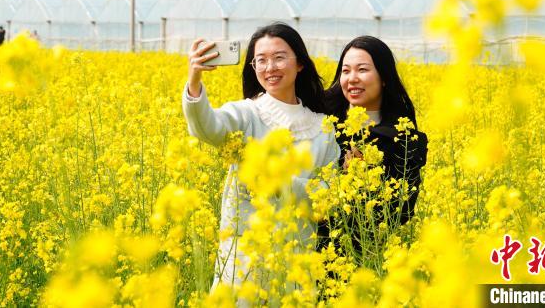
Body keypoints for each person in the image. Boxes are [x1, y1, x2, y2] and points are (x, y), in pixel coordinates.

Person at [182, 23, 340, 287]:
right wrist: (194, 80)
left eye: (279, 58)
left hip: (297, 264)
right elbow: (207, 128)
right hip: (244, 262)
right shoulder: (246, 114)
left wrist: (278, 181)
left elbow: (328, 194)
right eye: (261, 61)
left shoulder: (323, 126)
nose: (270, 68)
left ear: (300, 63)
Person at [320, 36, 428, 249]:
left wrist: (361, 185)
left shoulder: (404, 139)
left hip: (369, 253)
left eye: (362, 70)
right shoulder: (321, 123)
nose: (352, 78)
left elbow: (403, 212)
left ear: (384, 77)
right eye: (345, 70)